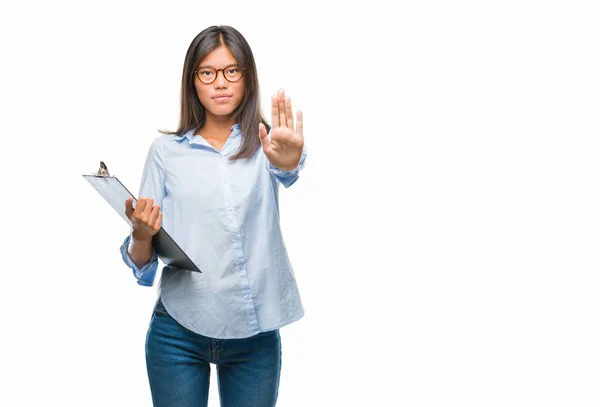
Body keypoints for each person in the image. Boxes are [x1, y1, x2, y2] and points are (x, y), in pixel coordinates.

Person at [119, 25, 306, 407]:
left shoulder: (268, 144)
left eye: (231, 71)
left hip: (254, 333)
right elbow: (143, 258)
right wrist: (141, 235)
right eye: (208, 72)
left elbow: (287, 167)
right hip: (178, 330)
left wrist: (288, 162)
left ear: (247, 78)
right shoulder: (165, 152)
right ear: (193, 82)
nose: (220, 83)